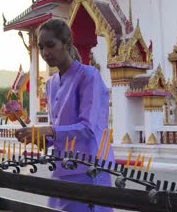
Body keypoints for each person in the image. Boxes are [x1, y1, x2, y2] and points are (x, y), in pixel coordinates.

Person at [15, 19, 114, 212]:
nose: (45, 53)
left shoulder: (89, 76)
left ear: (66, 45)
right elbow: (58, 132)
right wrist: (40, 138)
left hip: (90, 169)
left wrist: (48, 130)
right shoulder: (51, 84)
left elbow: (89, 129)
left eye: (50, 45)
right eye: (41, 47)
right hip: (62, 168)